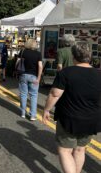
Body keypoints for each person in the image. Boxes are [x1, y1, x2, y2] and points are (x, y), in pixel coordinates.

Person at [43, 42, 101, 173]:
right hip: (91, 119)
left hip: (69, 118)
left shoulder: (66, 73)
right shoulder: (99, 74)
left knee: (65, 150)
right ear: (89, 56)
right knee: (81, 149)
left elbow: (54, 93)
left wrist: (46, 110)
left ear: (74, 56)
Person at [17, 39, 43, 121]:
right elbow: (40, 66)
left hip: (23, 75)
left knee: (23, 94)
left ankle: (23, 113)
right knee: (33, 96)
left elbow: (17, 63)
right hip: (34, 77)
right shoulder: (38, 54)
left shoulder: (23, 52)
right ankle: (32, 115)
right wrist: (39, 77)